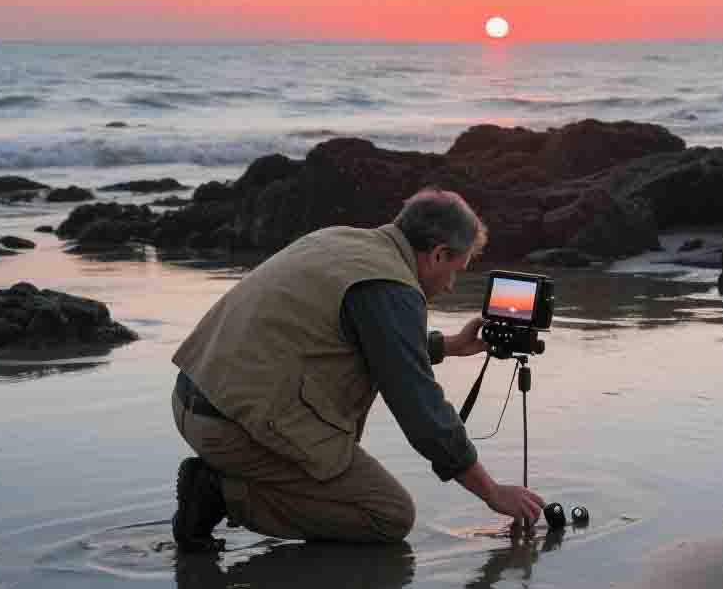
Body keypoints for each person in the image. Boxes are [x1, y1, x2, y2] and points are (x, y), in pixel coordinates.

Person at [170, 187, 545, 549]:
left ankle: (227, 481)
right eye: (455, 270)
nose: (450, 285)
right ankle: (220, 493)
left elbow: (363, 335)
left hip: (194, 396)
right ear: (438, 254)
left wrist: (448, 346)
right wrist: (492, 492)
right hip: (231, 428)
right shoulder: (392, 286)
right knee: (387, 514)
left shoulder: (341, 240)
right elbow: (422, 412)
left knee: (334, 461)